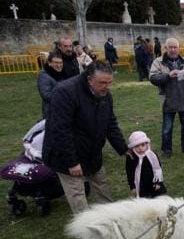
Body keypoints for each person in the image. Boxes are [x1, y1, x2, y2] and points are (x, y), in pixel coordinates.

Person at [42, 61, 129, 214]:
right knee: (77, 194)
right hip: (68, 157)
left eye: (110, 83)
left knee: (101, 185)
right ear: (89, 79)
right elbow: (60, 130)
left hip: (92, 152)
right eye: (102, 83)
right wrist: (72, 162)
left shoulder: (105, 95)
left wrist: (123, 148)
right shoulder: (65, 92)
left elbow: (110, 123)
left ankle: (111, 219)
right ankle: (87, 230)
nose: (107, 87)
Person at [150, 37, 184, 157]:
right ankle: (167, 150)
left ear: (178, 48)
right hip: (168, 99)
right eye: (170, 47)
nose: (173, 50)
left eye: (175, 47)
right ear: (166, 48)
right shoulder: (158, 62)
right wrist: (167, 75)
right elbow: (153, 78)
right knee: (167, 128)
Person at [125, 131, 167, 198]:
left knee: (158, 199)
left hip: (154, 183)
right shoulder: (131, 158)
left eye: (143, 145)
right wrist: (132, 187)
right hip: (141, 186)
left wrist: (158, 182)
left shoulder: (152, 155)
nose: (140, 148)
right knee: (145, 202)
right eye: (137, 146)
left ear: (147, 144)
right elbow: (130, 173)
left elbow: (158, 169)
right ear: (132, 147)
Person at [37, 52, 64, 118]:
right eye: (56, 62)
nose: (59, 65)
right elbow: (46, 95)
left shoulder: (59, 73)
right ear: (49, 63)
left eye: (60, 63)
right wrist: (65, 95)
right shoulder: (44, 76)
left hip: (61, 109)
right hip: (51, 112)